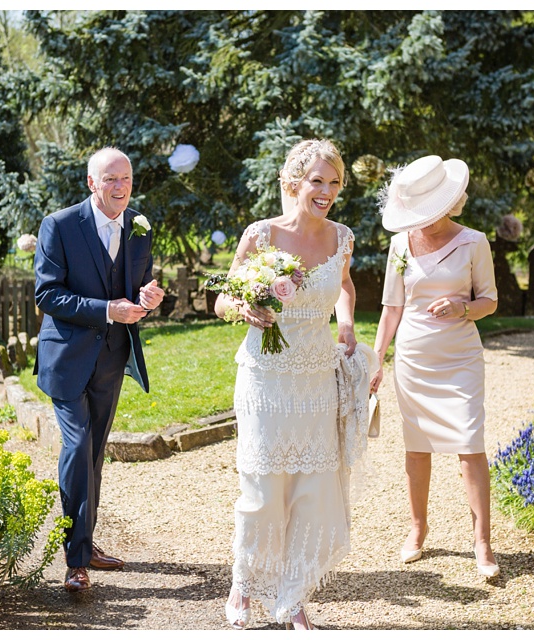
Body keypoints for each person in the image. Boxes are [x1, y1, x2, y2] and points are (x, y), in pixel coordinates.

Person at [215, 139, 372, 630]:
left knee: (312, 489)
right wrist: (241, 307)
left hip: (315, 378)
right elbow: (221, 298)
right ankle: (245, 581)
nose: (325, 191)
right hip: (265, 378)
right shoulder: (261, 235)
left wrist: (346, 321)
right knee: (263, 489)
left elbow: (344, 285)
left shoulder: (341, 237)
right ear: (293, 183)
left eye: (334, 183)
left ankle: (292, 596)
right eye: (317, 181)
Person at [34, 147, 165, 592]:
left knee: (94, 454)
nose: (120, 186)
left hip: (111, 359)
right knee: (78, 446)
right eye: (110, 179)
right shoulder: (60, 225)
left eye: (125, 178)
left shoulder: (140, 228)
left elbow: (138, 284)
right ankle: (75, 562)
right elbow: (48, 295)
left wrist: (147, 297)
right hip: (66, 360)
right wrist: (107, 308)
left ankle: (86, 544)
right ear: (92, 183)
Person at [369, 155, 500, 577]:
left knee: (470, 445)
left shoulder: (475, 241)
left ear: (448, 203)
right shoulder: (399, 244)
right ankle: (417, 531)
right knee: (416, 447)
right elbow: (391, 309)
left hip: (460, 357)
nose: (421, 221)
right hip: (413, 358)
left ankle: (483, 543)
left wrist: (463, 307)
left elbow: (490, 301)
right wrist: (378, 360)